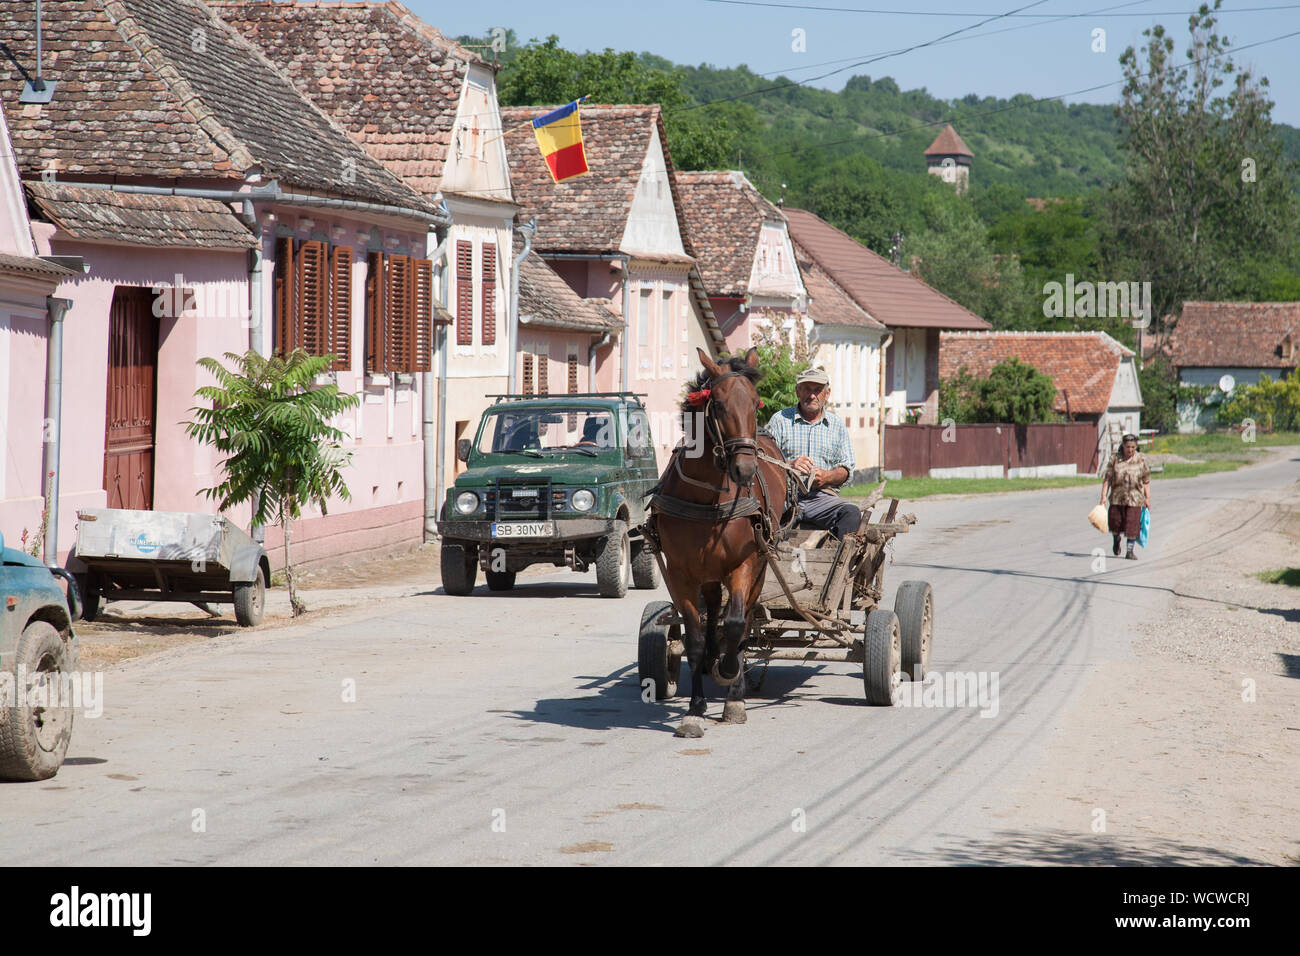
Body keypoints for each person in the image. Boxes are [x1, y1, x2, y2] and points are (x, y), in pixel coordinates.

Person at [763, 367, 861, 539]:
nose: (812, 395)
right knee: (761, 520)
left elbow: (846, 470)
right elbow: (763, 462)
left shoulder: (836, 425)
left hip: (823, 498)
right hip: (786, 497)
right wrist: (790, 465)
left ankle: (834, 560)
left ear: (827, 393)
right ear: (798, 391)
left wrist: (827, 477)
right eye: (807, 389)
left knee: (851, 513)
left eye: (817, 390)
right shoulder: (779, 420)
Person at [1100, 433, 1150, 560]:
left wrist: (1147, 498)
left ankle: (1129, 551)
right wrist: (1103, 496)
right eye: (1128, 447)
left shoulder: (1141, 459)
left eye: (1133, 447)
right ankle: (1116, 540)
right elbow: (1107, 479)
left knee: (1132, 524)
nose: (1130, 450)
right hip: (1117, 498)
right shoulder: (1115, 459)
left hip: (1135, 499)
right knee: (1115, 524)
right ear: (1123, 446)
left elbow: (1146, 480)